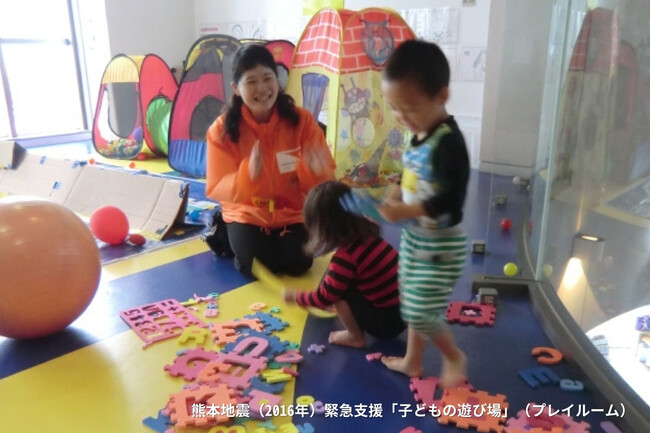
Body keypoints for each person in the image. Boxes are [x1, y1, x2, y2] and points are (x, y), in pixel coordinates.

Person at [376, 40, 471, 389]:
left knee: (419, 310)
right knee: (411, 298)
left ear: (441, 95)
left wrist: (407, 209)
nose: (402, 116)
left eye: (410, 108)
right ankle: (412, 361)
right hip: (415, 237)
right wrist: (394, 193)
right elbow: (411, 173)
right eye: (394, 108)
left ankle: (453, 355)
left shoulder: (449, 142)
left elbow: (452, 199)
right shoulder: (419, 134)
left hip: (441, 244)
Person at [205, 44, 335, 277]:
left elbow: (324, 183)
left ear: (278, 80)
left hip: (292, 212)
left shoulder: (302, 121)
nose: (262, 88)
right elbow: (216, 186)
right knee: (255, 267)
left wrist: (314, 172)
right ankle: (226, 233)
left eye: (268, 78)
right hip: (247, 213)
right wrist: (247, 176)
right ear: (236, 88)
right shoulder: (221, 130)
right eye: (251, 81)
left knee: (299, 263)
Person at [283, 181, 406, 347]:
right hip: (406, 312)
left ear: (323, 228)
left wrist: (296, 297)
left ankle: (355, 336)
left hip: (387, 324)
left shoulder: (345, 258)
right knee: (340, 284)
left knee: (339, 294)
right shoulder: (369, 236)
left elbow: (323, 298)